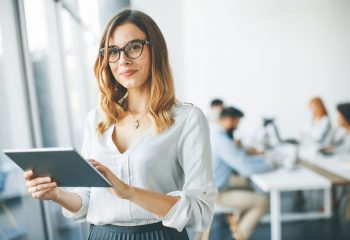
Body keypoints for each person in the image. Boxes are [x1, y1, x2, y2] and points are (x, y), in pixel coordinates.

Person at [22, 9, 216, 240]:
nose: (123, 59)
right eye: (113, 51)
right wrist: (56, 195)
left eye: (134, 47)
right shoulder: (97, 119)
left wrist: (129, 192)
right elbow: (87, 201)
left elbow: (201, 211)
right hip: (102, 235)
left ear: (155, 49)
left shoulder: (188, 119)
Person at [210, 107, 273, 240]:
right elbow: (245, 168)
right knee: (263, 202)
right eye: (237, 123)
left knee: (249, 186)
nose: (237, 127)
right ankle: (238, 237)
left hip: (214, 186)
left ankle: (236, 227)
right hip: (217, 193)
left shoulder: (216, 134)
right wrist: (270, 164)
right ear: (229, 120)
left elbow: (240, 159)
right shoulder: (221, 140)